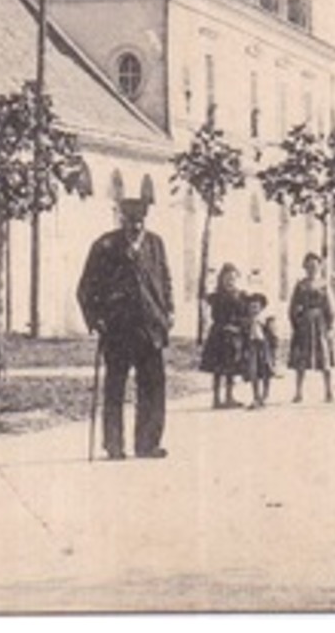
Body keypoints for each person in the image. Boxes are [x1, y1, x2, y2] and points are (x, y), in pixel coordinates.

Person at [76, 197, 175, 460]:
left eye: (140, 221)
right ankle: (114, 445)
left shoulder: (155, 244)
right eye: (130, 221)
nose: (136, 227)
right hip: (118, 329)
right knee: (115, 387)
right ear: (121, 220)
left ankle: (148, 444)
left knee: (153, 386)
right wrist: (96, 319)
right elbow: (86, 287)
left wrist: (169, 311)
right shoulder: (105, 246)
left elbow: (165, 280)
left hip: (150, 327)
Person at [287, 252, 335, 403]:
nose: (312, 269)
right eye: (308, 266)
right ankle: (298, 392)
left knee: (324, 358)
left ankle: (329, 392)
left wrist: (329, 325)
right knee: (301, 359)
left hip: (320, 324)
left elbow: (331, 307)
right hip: (304, 325)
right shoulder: (300, 285)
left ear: (320, 267)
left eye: (315, 266)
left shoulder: (324, 285)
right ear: (304, 268)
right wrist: (296, 322)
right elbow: (292, 307)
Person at [199, 263, 248, 409]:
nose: (230, 281)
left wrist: (238, 326)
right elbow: (213, 312)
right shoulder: (216, 296)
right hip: (219, 335)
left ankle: (229, 396)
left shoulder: (241, 296)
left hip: (234, 335)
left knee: (231, 367)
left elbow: (244, 315)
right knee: (217, 368)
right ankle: (216, 398)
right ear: (221, 279)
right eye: (227, 278)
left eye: (233, 278)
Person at [241, 291, 278, 409]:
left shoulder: (267, 320)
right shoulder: (246, 321)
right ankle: (255, 396)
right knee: (253, 372)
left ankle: (265, 395)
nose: (253, 310)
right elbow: (243, 335)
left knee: (265, 370)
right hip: (252, 347)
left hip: (264, 347)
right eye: (251, 307)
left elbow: (273, 336)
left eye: (256, 307)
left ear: (261, 307)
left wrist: (274, 349)